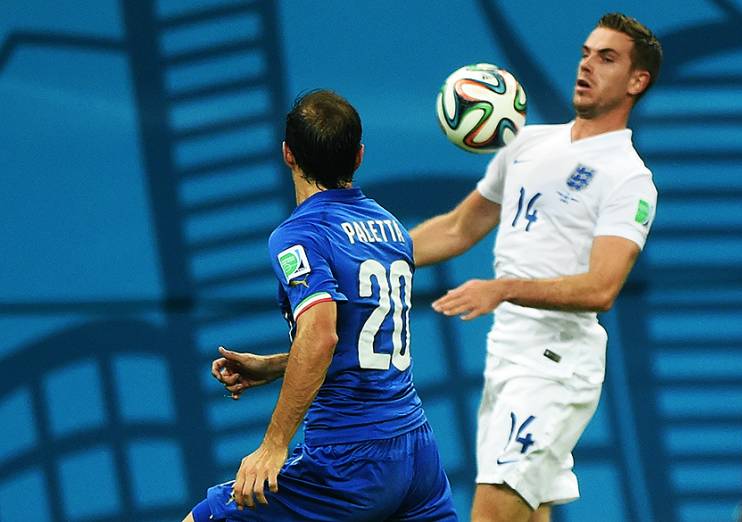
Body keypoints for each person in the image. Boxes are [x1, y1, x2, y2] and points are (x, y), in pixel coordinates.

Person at [409, 13, 661, 522]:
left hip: (555, 364)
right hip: (507, 355)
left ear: (638, 81)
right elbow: (459, 228)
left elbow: (601, 288)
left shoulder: (630, 179)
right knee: (531, 512)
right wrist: (376, 252)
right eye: (586, 53)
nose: (587, 66)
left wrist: (503, 287)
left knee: (493, 512)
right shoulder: (526, 143)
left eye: (607, 58)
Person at [182, 90, 456, 521]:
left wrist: (274, 445)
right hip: (416, 453)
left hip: (348, 461)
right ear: (360, 156)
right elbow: (358, 340)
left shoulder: (299, 236)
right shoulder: (390, 228)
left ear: (287, 154)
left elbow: (323, 332)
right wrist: (275, 366)